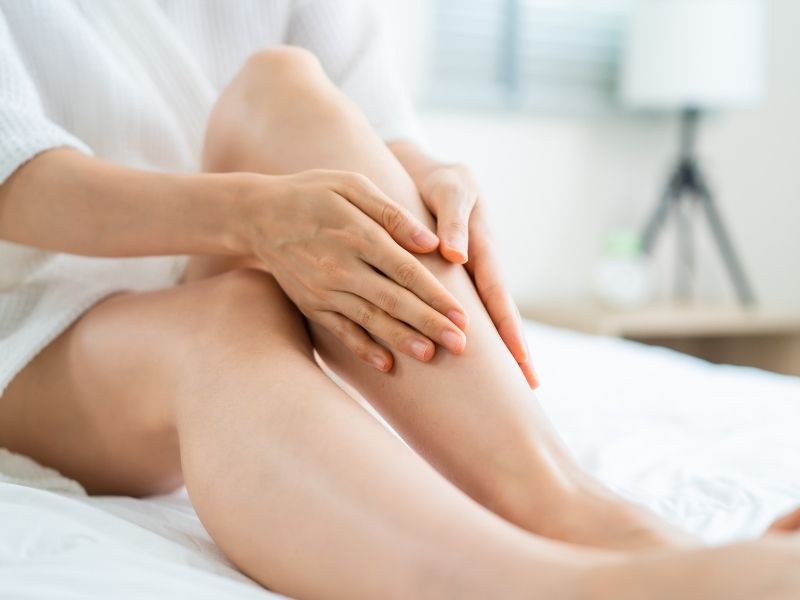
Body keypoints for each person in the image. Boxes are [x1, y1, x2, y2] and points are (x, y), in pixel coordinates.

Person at [0, 2, 798, 598]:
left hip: (213, 249)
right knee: (228, 318)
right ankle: (553, 587)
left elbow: (372, 126)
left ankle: (571, 503)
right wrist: (255, 217)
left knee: (276, 84)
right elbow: (19, 184)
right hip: (32, 325)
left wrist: (434, 179)